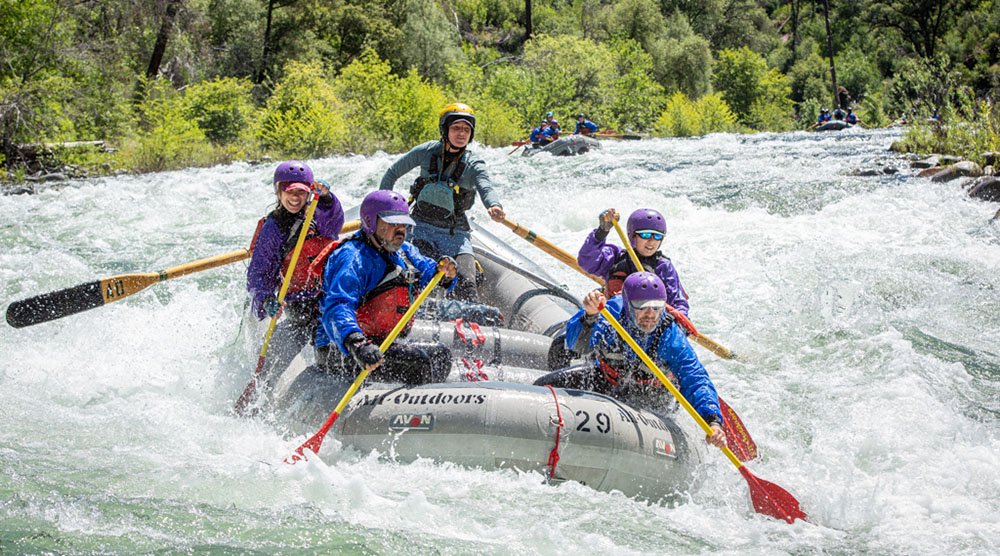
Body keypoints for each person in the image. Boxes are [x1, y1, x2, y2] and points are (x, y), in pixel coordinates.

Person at [534, 272, 727, 449]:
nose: (650, 315)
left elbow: (694, 378)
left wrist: (713, 421)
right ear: (627, 305)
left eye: (656, 308)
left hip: (653, 395)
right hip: (606, 381)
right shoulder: (608, 314)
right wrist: (590, 317)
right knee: (544, 385)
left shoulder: (669, 335)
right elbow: (577, 345)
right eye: (642, 308)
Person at [313, 190, 458, 385]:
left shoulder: (405, 251)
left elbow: (431, 273)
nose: (400, 230)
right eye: (392, 224)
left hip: (377, 342)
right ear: (370, 222)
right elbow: (338, 307)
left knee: (441, 355)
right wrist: (357, 343)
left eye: (403, 224)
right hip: (342, 349)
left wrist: (445, 272)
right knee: (418, 363)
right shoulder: (352, 258)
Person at [379, 102, 505, 302]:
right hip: (420, 227)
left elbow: (485, 187)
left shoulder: (474, 163)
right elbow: (392, 173)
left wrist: (493, 204)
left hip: (455, 233)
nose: (461, 134)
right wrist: (384, 208)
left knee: (467, 282)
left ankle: (468, 324)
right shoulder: (426, 151)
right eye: (456, 128)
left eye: (466, 129)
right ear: (445, 129)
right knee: (417, 273)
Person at [246, 160, 345, 378]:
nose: (294, 198)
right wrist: (265, 299)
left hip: (327, 299)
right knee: (275, 363)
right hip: (298, 305)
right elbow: (259, 272)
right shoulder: (273, 227)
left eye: (301, 192)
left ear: (309, 193)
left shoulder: (318, 214)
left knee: (331, 349)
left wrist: (328, 199)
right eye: (288, 191)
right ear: (278, 192)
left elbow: (335, 223)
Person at [577, 207, 689, 316]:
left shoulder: (664, 267)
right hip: (612, 321)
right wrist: (601, 232)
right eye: (646, 234)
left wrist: (677, 325)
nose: (651, 241)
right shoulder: (615, 257)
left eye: (658, 236)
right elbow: (586, 261)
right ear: (632, 235)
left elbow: (678, 304)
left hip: (647, 325)